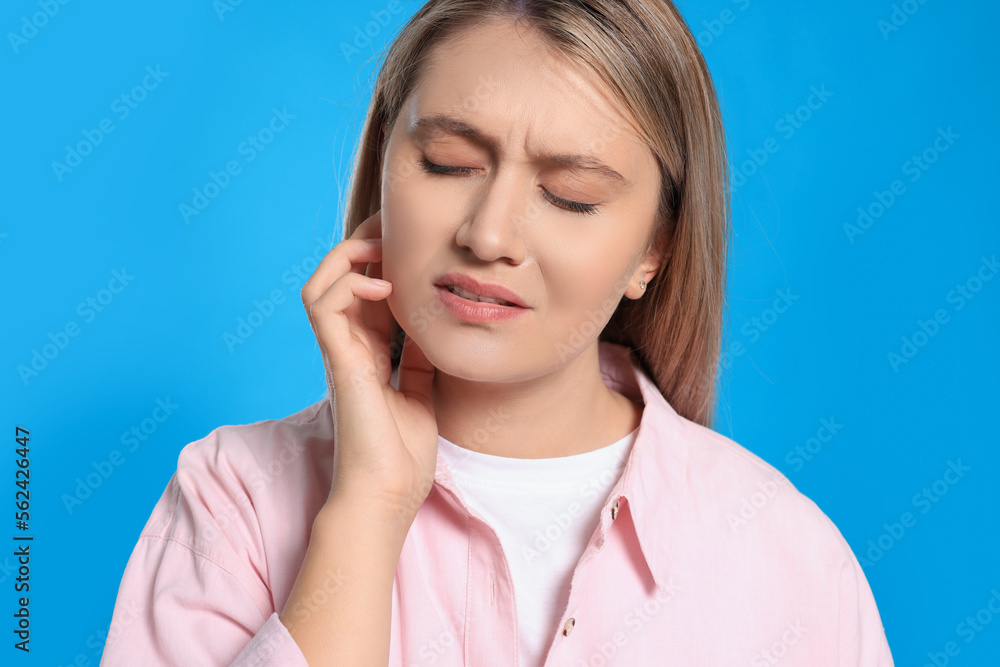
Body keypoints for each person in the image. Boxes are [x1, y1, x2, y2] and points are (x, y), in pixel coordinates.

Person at [101, 1, 895, 665]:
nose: (489, 234)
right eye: (448, 162)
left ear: (653, 250)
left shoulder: (784, 554)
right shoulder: (233, 498)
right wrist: (366, 514)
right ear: (384, 164)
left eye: (572, 195)